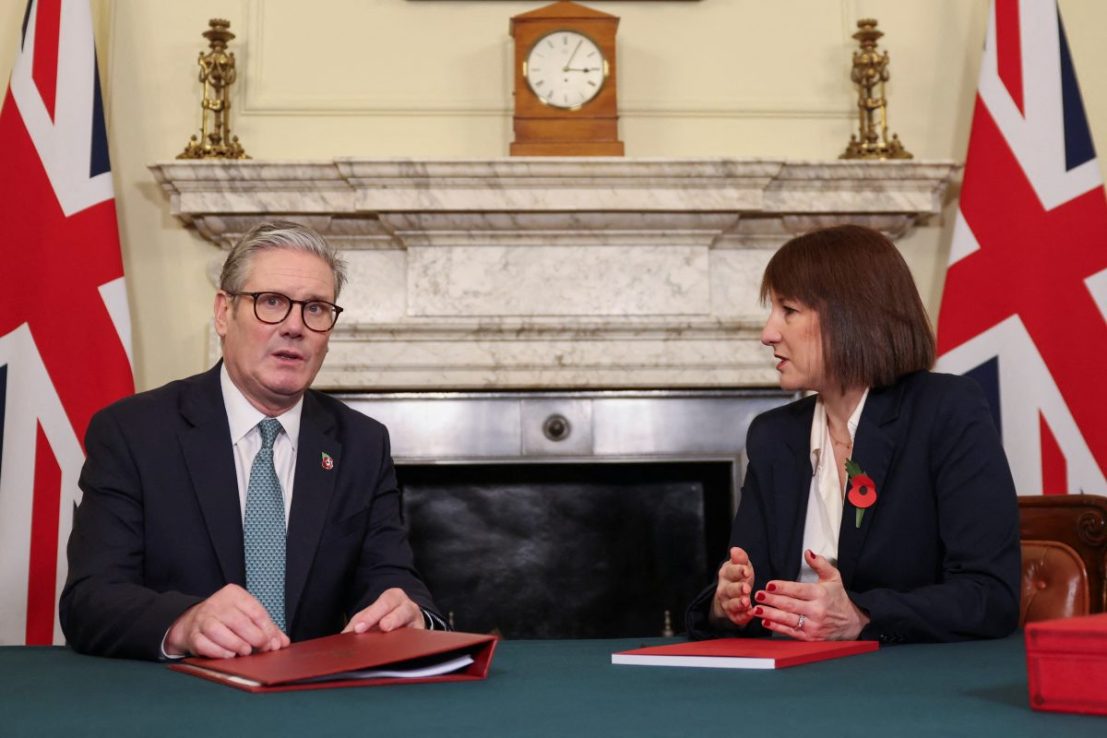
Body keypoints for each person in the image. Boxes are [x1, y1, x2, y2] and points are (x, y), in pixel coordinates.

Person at [60, 221, 444, 660]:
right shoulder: (134, 432)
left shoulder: (361, 443)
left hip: (312, 694)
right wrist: (184, 623)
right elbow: (90, 600)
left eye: (315, 308)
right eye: (272, 302)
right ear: (224, 312)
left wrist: (412, 615)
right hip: (181, 692)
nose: (295, 326)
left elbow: (391, 578)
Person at [686, 224, 1020, 643]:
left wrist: (862, 616)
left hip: (906, 675)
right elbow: (754, 595)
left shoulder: (945, 410)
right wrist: (727, 606)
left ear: (850, 316)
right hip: (792, 674)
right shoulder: (774, 435)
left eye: (788, 310)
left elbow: (990, 596)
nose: (767, 333)